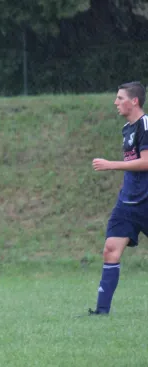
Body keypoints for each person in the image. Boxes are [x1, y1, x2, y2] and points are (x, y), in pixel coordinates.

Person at [88, 81, 148, 315]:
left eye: (120, 98)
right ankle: (102, 312)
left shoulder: (145, 124)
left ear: (134, 101)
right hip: (128, 203)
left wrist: (112, 165)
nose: (116, 102)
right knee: (110, 249)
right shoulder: (127, 129)